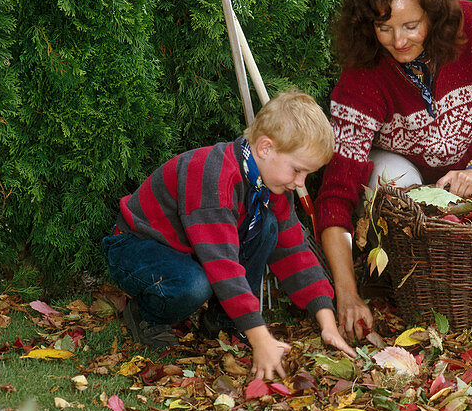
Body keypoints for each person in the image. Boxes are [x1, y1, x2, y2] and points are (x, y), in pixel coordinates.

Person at [316, 0, 472, 339]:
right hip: (401, 193)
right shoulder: (362, 78)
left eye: (411, 25)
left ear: (433, 11)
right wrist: (345, 292)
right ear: (368, 27)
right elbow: (336, 193)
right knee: (389, 175)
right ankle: (398, 270)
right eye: (385, 29)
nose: (399, 41)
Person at [103, 90, 356, 380]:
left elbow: (294, 251)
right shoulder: (213, 178)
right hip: (135, 247)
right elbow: (222, 265)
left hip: (185, 251)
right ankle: (145, 315)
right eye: (298, 170)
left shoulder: (268, 183)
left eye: (306, 175)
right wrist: (260, 337)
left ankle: (224, 321)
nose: (300, 183)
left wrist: (327, 321)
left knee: (270, 225)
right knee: (194, 284)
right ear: (265, 148)